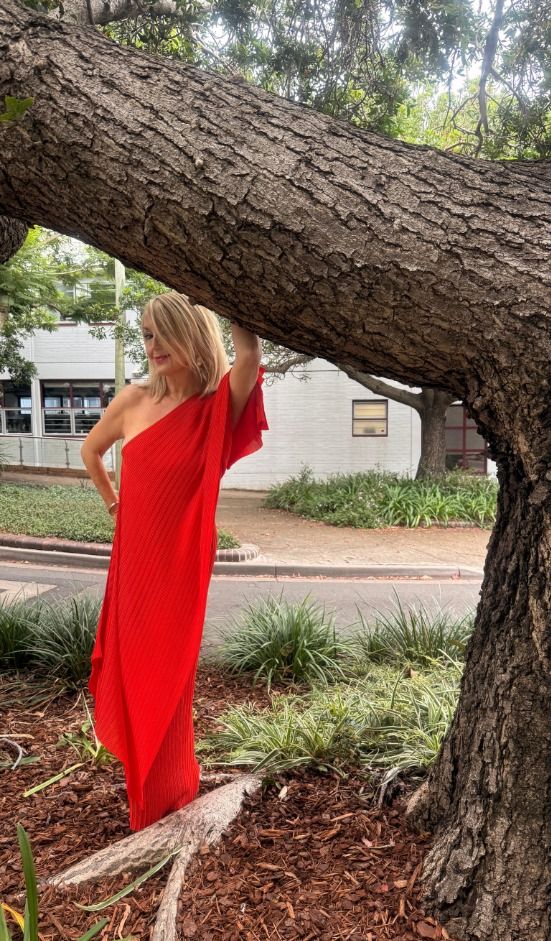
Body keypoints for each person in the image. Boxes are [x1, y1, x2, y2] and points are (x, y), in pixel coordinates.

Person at [81, 292, 267, 831]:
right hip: (133, 562)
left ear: (193, 334)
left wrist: (225, 282)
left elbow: (250, 355)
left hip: (181, 564)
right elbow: (91, 452)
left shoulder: (218, 404)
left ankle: (172, 794)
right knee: (134, 669)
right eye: (146, 334)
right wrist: (115, 505)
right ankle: (147, 797)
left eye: (164, 333)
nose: (153, 345)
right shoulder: (133, 400)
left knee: (170, 674)